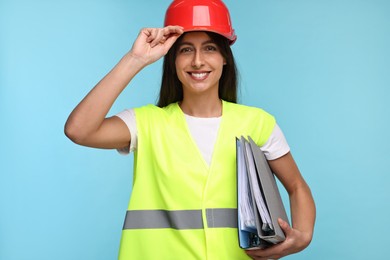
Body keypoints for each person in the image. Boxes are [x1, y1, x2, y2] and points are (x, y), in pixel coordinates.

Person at [64, 0, 316, 259]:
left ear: (224, 58)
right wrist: (135, 59)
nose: (198, 61)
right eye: (186, 50)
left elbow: (297, 186)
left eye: (209, 48)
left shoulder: (257, 123)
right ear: (172, 60)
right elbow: (79, 130)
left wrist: (303, 235)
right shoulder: (146, 123)